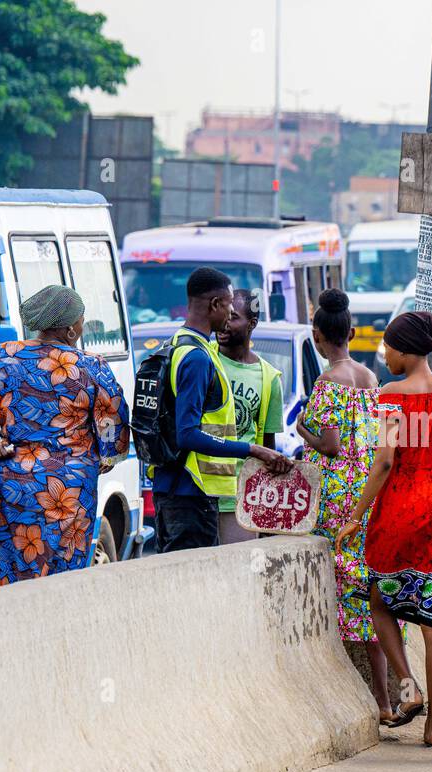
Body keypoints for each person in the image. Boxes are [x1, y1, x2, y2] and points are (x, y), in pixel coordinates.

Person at [0, 285, 130, 582]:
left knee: (20, 568)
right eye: (81, 320)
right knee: (67, 573)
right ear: (71, 329)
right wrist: (103, 459)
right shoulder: (90, 366)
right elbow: (114, 422)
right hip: (71, 489)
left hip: (14, 485)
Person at [336, 311, 432, 748]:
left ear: (405, 350)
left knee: (380, 600)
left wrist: (355, 515)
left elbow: (385, 461)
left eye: (388, 346)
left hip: (399, 512)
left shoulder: (390, 395)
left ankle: (409, 688)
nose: (384, 353)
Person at [150, 268, 291, 552]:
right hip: (192, 489)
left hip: (177, 486)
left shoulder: (176, 344)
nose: (228, 316)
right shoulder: (198, 358)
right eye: (227, 305)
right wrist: (251, 450)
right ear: (215, 305)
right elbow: (188, 434)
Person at [297, 290, 389, 719]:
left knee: (339, 591)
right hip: (369, 495)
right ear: (351, 333)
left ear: (317, 337)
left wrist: (303, 431)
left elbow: (330, 446)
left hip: (337, 500)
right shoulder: (371, 378)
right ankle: (387, 699)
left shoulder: (327, 383)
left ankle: (365, 699)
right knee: (371, 593)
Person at [214, 288, 284, 544]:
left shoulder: (268, 378)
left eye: (233, 317)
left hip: (241, 497)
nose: (224, 322)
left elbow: (269, 447)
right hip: (200, 492)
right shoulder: (205, 360)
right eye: (224, 314)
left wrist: (267, 513)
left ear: (252, 324)